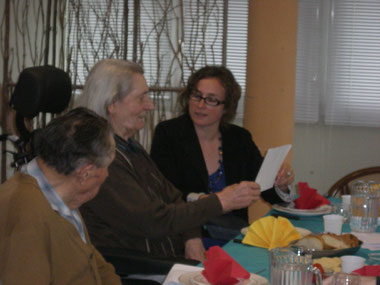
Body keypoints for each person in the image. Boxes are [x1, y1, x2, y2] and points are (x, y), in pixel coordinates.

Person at [77, 59, 261, 263]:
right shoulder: (101, 159)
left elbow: (173, 198)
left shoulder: (129, 148)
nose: (150, 106)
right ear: (112, 104)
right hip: (143, 265)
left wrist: (191, 235)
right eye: (141, 98)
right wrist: (223, 200)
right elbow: (153, 220)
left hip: (167, 252)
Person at [150, 65, 294, 243]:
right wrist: (208, 200)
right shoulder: (168, 134)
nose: (200, 105)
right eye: (196, 96)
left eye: (211, 100)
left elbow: (266, 190)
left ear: (226, 107)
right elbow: (165, 193)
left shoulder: (239, 139)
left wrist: (282, 183)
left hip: (232, 234)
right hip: (186, 234)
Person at [0, 107, 121, 285]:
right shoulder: (25, 214)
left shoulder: (60, 195)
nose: (107, 175)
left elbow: (92, 262)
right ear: (85, 173)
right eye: (106, 167)